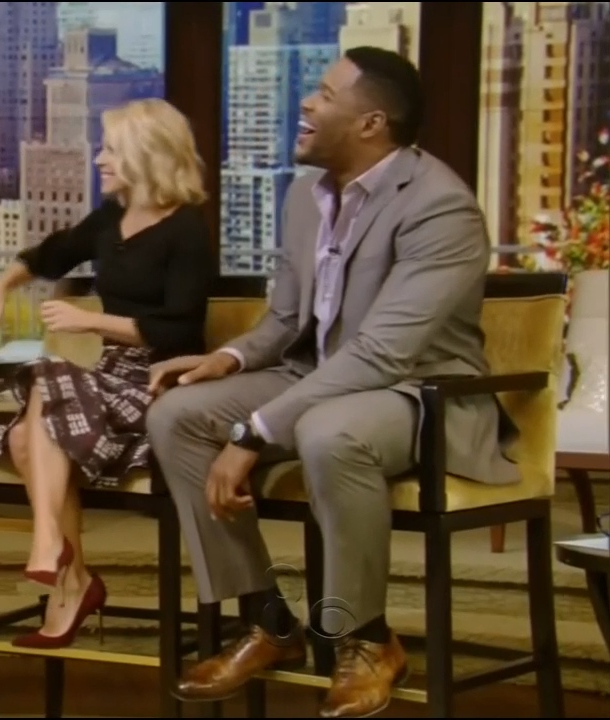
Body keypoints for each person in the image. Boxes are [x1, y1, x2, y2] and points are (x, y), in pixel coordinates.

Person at [145, 47, 516, 718]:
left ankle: (365, 639)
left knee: (328, 433)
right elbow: (288, 320)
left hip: (418, 392)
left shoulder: (441, 208)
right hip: (320, 376)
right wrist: (227, 359)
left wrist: (254, 432)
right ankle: (269, 622)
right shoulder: (304, 196)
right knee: (177, 415)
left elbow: (381, 353)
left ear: (371, 123)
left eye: (324, 93)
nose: (307, 103)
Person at [0, 98, 216, 649]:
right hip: (107, 376)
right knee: (32, 428)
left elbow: (179, 328)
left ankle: (55, 556)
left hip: (161, 383)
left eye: (110, 150)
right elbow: (48, 256)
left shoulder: (187, 231)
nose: (99, 159)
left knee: (42, 396)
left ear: (147, 155)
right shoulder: (109, 220)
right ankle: (69, 574)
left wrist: (90, 320)